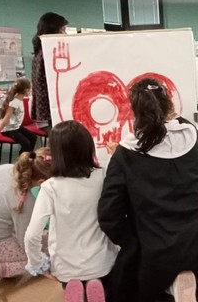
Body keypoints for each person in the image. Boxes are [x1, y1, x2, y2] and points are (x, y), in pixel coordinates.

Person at [98, 78, 198, 302]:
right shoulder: (192, 136)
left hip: (160, 247)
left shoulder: (125, 153)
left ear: (136, 111)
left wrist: (133, 241)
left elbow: (108, 214)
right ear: (169, 104)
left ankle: (177, 282)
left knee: (131, 281)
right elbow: (176, 130)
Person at [24, 120, 119, 302]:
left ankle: (75, 286)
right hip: (102, 261)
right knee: (102, 282)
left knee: (71, 282)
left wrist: (38, 264)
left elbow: (31, 235)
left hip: (66, 265)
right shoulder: (103, 176)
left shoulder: (50, 187)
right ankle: (95, 285)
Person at [0, 147, 51, 288]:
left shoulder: (5, 168)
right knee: (48, 254)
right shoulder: (24, 201)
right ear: (42, 182)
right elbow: (27, 243)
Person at [31, 12, 68, 132]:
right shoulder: (47, 53)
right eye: (63, 30)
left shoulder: (39, 52)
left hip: (47, 109)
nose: (65, 34)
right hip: (51, 108)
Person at [0, 78, 37, 155]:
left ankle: (28, 157)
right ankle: (22, 161)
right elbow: (5, 119)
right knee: (26, 144)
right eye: (30, 88)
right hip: (8, 129)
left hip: (16, 127)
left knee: (33, 138)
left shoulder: (20, 100)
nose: (31, 90)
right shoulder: (14, 103)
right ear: (26, 90)